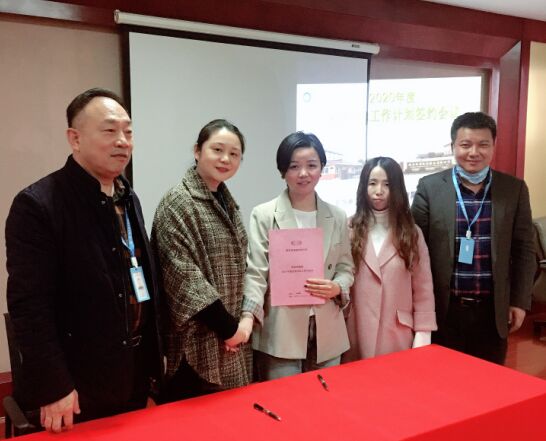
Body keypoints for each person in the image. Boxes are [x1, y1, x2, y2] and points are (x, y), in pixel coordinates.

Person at [5, 88, 162, 432]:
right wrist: (55, 386)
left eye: (128, 132)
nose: (122, 141)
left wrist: (152, 369)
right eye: (109, 130)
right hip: (76, 385)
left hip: (132, 372)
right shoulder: (38, 205)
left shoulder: (126, 196)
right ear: (74, 139)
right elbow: (29, 307)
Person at [411, 112, 535, 364]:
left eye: (483, 144)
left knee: (488, 381)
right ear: (453, 146)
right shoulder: (430, 187)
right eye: (465, 145)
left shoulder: (514, 189)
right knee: (441, 379)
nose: (474, 152)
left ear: (494, 146)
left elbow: (524, 249)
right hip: (444, 309)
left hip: (492, 310)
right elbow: (414, 248)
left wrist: (519, 301)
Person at [151, 119, 252, 401]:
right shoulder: (178, 201)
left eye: (234, 154)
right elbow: (185, 279)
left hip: (230, 340)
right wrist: (230, 330)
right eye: (217, 149)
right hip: (196, 346)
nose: (225, 159)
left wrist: (241, 323)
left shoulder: (227, 201)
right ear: (197, 151)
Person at [243, 132, 354, 381]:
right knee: (285, 401)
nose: (304, 173)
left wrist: (337, 286)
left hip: (328, 329)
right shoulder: (264, 214)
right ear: (283, 171)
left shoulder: (337, 216)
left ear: (322, 167)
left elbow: (346, 267)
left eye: (311, 165)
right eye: (294, 166)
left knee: (326, 400)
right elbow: (256, 272)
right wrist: (248, 315)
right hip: (281, 330)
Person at [342, 157, 437, 362]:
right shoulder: (348, 229)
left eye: (387, 184)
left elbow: (423, 289)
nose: (379, 191)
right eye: (372, 183)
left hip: (397, 334)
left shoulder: (411, 233)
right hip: (355, 332)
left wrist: (423, 333)